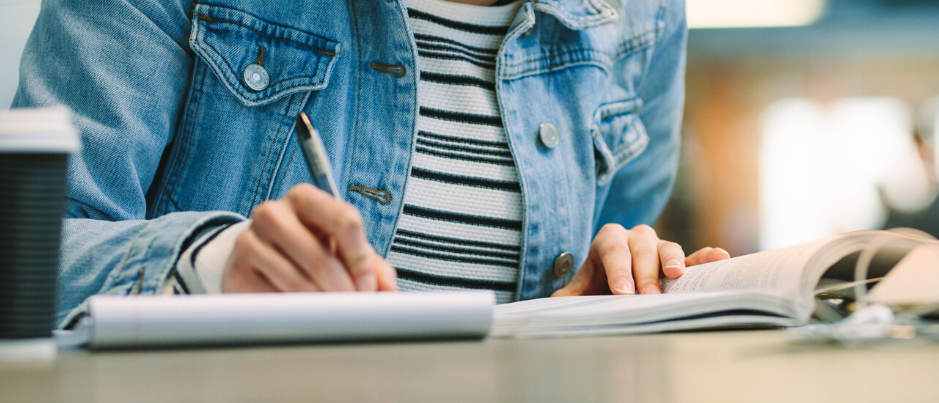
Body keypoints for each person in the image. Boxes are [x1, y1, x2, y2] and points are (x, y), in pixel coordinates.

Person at [13, 0, 728, 327]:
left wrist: (596, 309)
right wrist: (210, 263)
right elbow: (25, 259)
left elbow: (616, 237)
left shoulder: (642, 17)